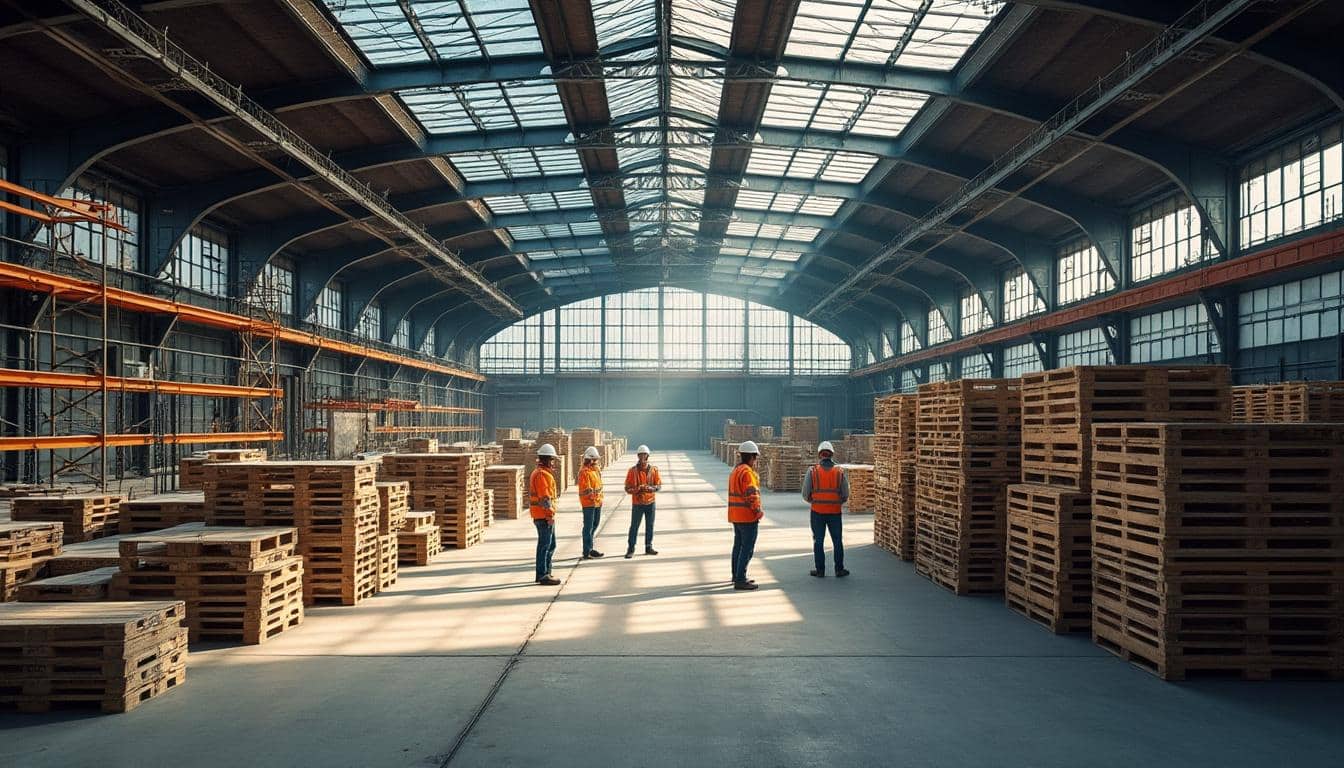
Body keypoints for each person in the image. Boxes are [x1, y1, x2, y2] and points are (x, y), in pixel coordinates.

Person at [803, 441, 850, 578]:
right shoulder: (839, 471)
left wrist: (814, 501)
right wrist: (837, 502)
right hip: (835, 512)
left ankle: (820, 570)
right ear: (832, 454)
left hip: (817, 512)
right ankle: (839, 569)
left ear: (819, 454)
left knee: (818, 541)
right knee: (837, 541)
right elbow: (846, 493)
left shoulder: (812, 471)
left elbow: (805, 494)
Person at [728, 441, 763, 591]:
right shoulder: (747, 472)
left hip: (736, 516)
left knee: (738, 546)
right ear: (751, 457)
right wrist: (757, 511)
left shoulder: (735, 471)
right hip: (747, 516)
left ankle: (736, 575)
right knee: (747, 548)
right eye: (755, 458)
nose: (755, 461)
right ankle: (741, 579)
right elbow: (751, 494)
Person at [530, 443, 561, 586]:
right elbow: (545, 499)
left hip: (541, 515)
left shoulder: (541, 473)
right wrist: (549, 515)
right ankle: (543, 574)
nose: (553, 462)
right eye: (552, 459)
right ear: (547, 459)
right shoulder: (542, 475)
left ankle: (545, 572)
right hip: (543, 516)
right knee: (545, 545)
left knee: (550, 544)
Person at [623, 444, 662, 558]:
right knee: (634, 526)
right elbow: (627, 487)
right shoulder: (632, 471)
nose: (642, 457)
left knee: (650, 526)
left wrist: (652, 488)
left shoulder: (654, 470)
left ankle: (648, 547)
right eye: (640, 455)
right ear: (638, 456)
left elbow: (658, 485)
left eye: (644, 455)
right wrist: (636, 490)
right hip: (637, 503)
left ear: (647, 456)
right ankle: (631, 548)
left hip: (650, 503)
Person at [578, 446, 605, 560]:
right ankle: (586, 551)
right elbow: (587, 489)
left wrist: (600, 498)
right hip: (589, 503)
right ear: (588, 459)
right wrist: (593, 496)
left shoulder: (596, 470)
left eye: (596, 460)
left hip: (597, 502)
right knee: (588, 527)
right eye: (593, 460)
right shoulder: (584, 472)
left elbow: (599, 485)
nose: (595, 462)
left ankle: (590, 547)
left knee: (595, 524)